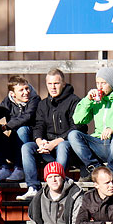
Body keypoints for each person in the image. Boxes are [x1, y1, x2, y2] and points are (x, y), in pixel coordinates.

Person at [18, 68, 85, 201]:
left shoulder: (74, 101)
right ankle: (33, 187)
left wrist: (54, 143)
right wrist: (39, 141)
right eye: (50, 84)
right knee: (26, 147)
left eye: (56, 83)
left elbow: (78, 126)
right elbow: (39, 125)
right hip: (47, 147)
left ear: (63, 84)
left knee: (63, 146)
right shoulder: (43, 104)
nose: (53, 87)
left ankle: (59, 185)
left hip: (68, 148)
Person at [69, 67, 113, 180]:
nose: (99, 87)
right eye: (97, 83)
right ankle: (95, 169)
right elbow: (78, 119)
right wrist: (88, 100)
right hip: (101, 144)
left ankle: (110, 172)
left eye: (103, 83)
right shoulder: (97, 101)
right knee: (73, 135)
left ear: (112, 83)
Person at [0, 75, 40, 181]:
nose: (26, 92)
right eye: (21, 90)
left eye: (27, 88)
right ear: (13, 94)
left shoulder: (35, 100)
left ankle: (19, 168)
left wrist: (6, 127)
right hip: (13, 145)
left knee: (23, 129)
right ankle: (3, 167)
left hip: (30, 147)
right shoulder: (8, 102)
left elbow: (27, 117)